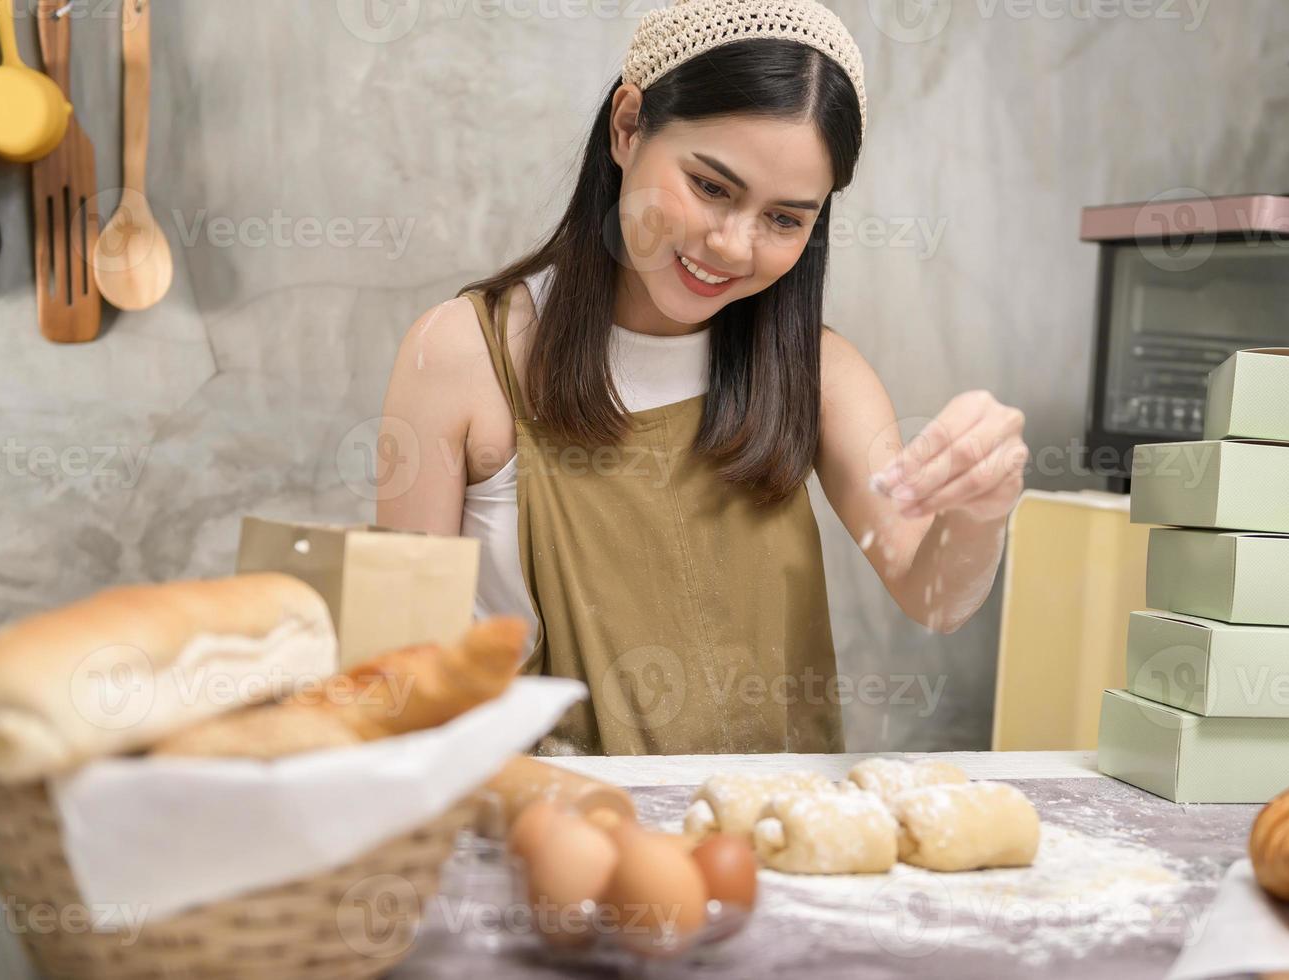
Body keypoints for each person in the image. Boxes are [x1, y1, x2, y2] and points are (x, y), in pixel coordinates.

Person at [377, 0, 1029, 755]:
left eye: (784, 219)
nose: (731, 245)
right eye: (710, 187)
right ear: (627, 126)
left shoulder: (820, 375)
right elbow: (403, 666)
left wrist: (980, 508)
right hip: (541, 830)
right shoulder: (462, 354)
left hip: (766, 844)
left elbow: (933, 595)